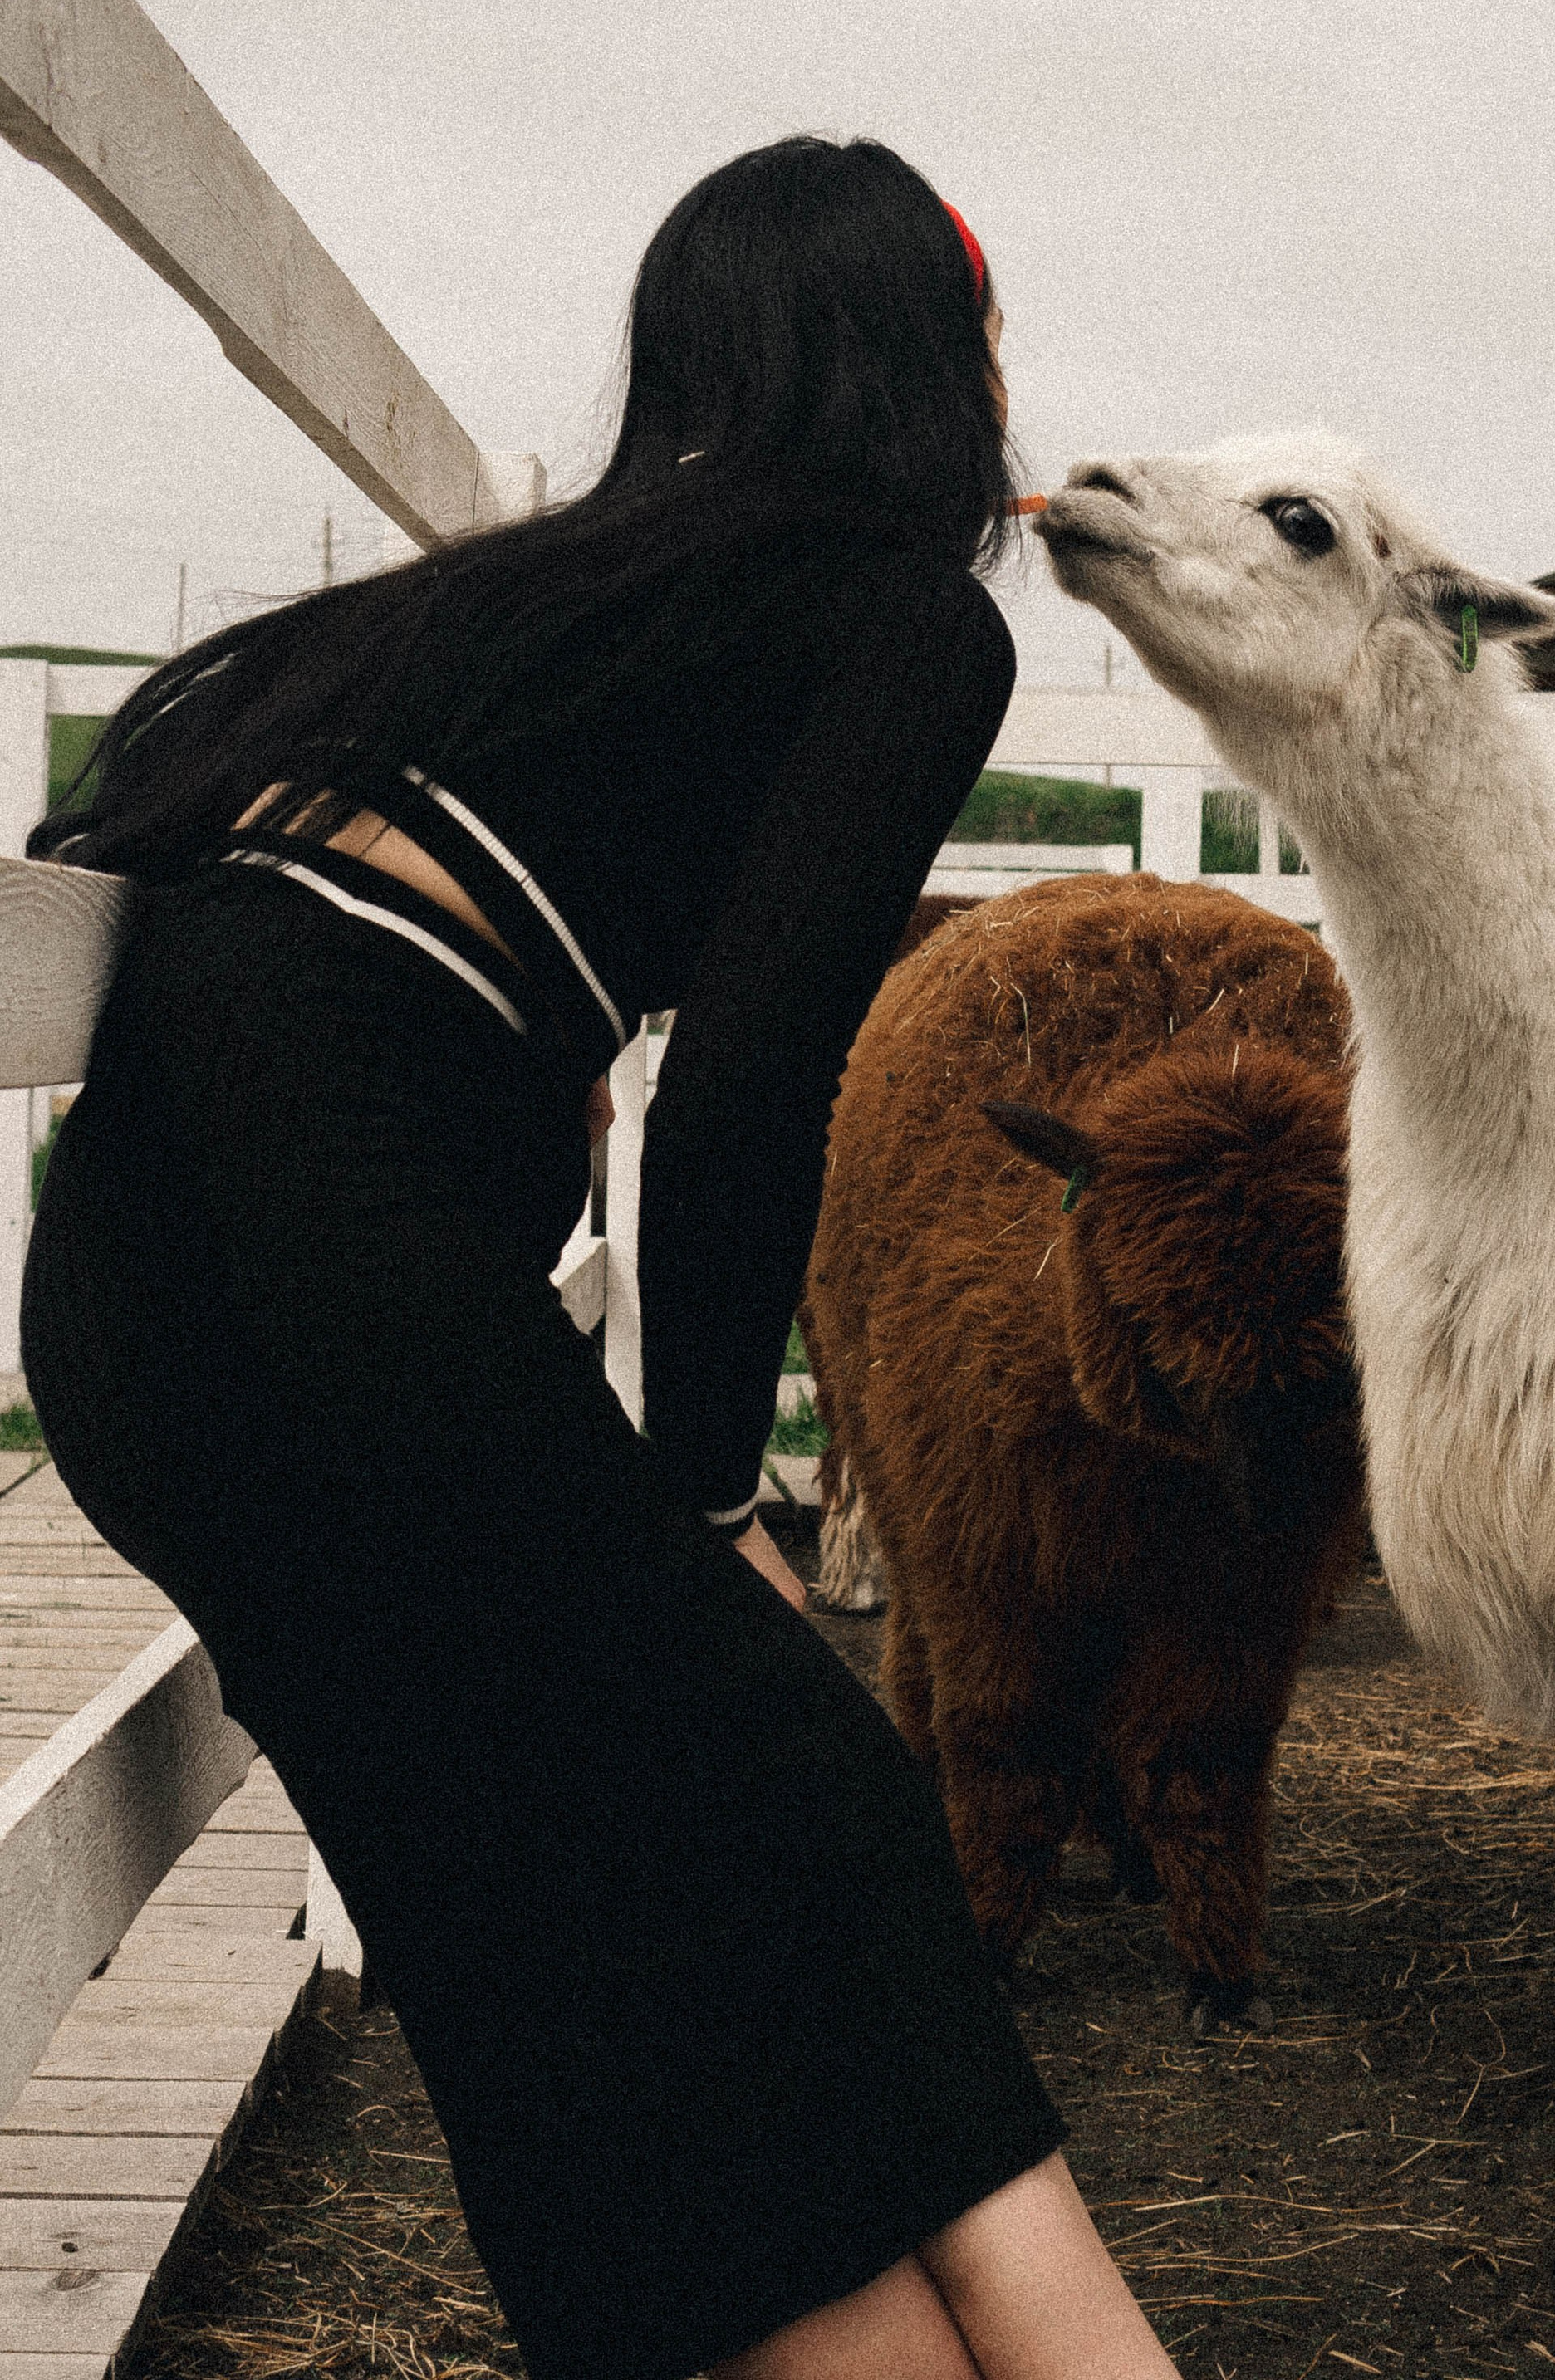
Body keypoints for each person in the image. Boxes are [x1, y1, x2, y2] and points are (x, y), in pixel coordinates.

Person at [22, 139, 1176, 2380]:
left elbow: (140, 804)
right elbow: (746, 1088)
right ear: (945, 366)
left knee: (518, 1909)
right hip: (352, 1262)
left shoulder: (510, 608)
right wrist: (715, 1493)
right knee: (810, 1818)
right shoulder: (898, 619)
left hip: (128, 1316)